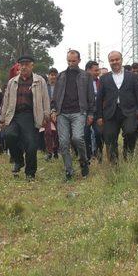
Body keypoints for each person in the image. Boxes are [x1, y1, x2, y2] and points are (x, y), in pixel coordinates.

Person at [0, 56, 50, 180]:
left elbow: (45, 98)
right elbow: (6, 100)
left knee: (31, 144)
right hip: (14, 115)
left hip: (31, 116)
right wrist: (2, 118)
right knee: (8, 135)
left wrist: (46, 115)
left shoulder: (39, 81)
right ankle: (18, 160)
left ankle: (30, 173)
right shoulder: (12, 81)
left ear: (32, 66)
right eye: (21, 65)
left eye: (27, 64)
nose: (24, 67)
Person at [51, 50, 95, 180]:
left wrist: (91, 113)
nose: (71, 63)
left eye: (73, 61)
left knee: (77, 138)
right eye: (69, 61)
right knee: (63, 142)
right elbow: (55, 96)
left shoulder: (86, 76)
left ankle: (83, 161)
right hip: (62, 113)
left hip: (79, 112)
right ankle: (69, 171)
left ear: (79, 60)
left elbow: (91, 96)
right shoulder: (61, 76)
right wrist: (53, 110)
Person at [96, 51, 138, 163]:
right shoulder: (104, 79)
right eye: (112, 60)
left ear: (121, 60)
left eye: (117, 59)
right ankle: (114, 164)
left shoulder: (132, 76)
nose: (114, 62)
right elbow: (99, 99)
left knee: (130, 132)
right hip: (110, 113)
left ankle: (128, 156)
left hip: (129, 111)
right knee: (109, 137)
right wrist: (99, 116)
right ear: (109, 62)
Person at [84, 60, 104, 161]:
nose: (97, 72)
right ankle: (87, 157)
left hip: (98, 113)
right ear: (88, 71)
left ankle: (99, 155)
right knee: (86, 135)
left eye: (98, 70)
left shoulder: (101, 82)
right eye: (95, 70)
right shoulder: (82, 83)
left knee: (99, 133)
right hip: (85, 113)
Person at [44, 67, 59, 160]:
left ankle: (56, 150)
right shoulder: (44, 87)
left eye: (55, 75)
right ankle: (49, 152)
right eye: (51, 75)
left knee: (57, 133)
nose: (53, 77)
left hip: (58, 113)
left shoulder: (60, 87)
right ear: (48, 76)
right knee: (48, 132)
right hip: (47, 113)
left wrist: (56, 112)